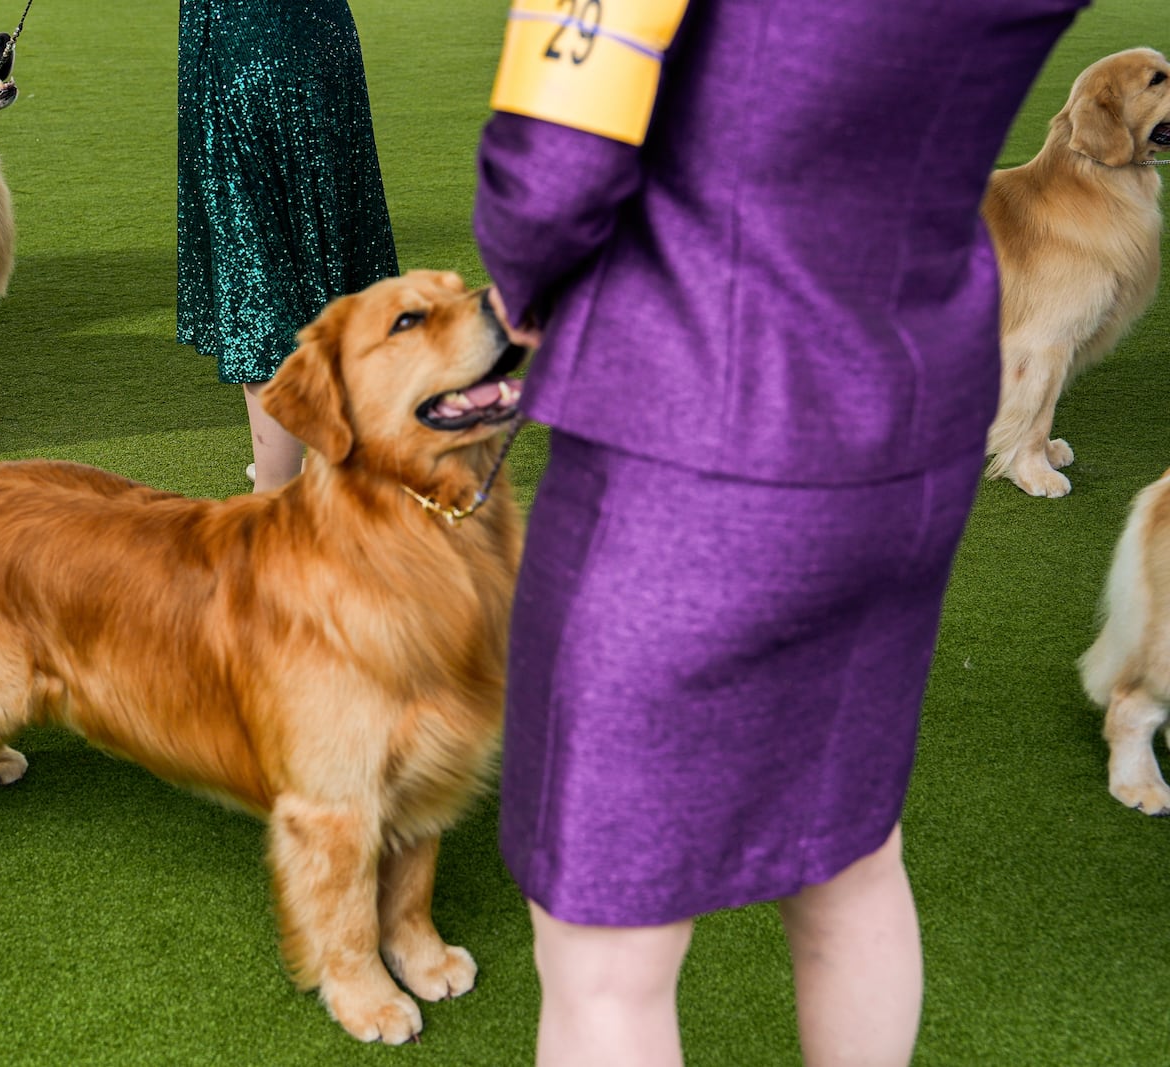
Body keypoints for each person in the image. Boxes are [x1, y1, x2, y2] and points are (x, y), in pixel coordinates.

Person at [473, 1, 1089, 1063]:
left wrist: (524, 285)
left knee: (605, 954)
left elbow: (549, 179)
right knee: (848, 857)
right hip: (912, 418)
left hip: (688, 435)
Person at [177, 0, 399, 492]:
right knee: (332, 250)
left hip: (243, 51)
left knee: (258, 276)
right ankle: (336, 470)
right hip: (321, 43)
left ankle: (276, 491)